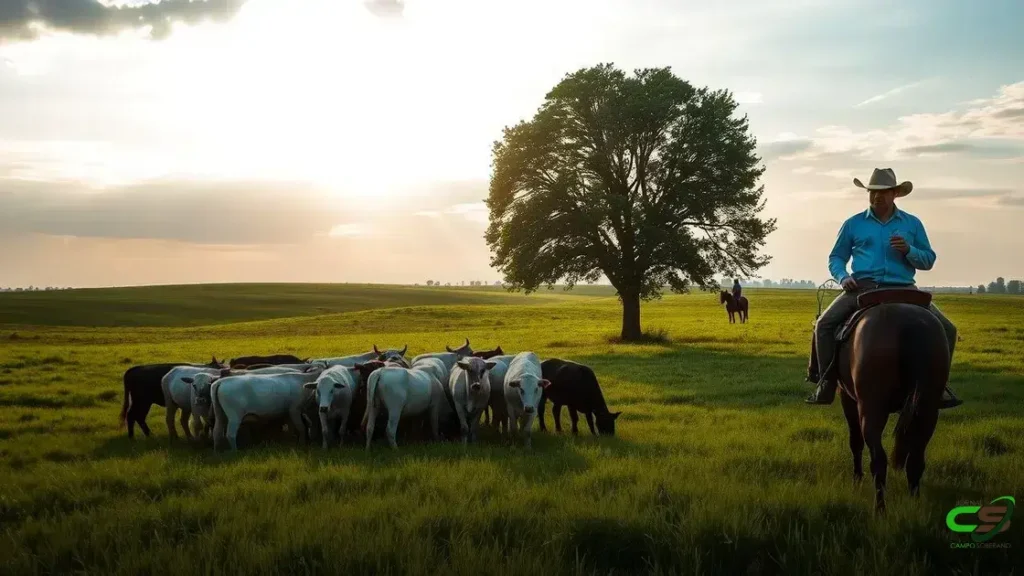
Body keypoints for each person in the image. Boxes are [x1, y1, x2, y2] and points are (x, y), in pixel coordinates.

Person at [805, 168, 962, 408]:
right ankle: (826, 382)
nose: (877, 196)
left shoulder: (912, 223)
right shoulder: (853, 224)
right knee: (824, 324)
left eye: (884, 192)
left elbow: (928, 260)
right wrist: (843, 277)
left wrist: (909, 250)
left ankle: (937, 386)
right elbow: (836, 257)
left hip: (905, 288)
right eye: (873, 191)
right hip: (863, 288)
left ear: (895, 193)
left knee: (948, 329)